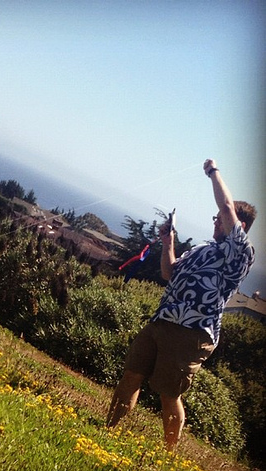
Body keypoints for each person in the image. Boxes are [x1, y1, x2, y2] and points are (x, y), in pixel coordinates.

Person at [106, 159, 256, 451]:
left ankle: (168, 455)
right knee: (131, 374)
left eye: (220, 219)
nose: (216, 221)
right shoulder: (202, 249)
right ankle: (108, 431)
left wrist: (213, 171)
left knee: (169, 393)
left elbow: (227, 207)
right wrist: (168, 242)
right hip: (162, 320)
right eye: (215, 218)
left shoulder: (239, 252)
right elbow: (169, 273)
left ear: (239, 226)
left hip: (193, 332)